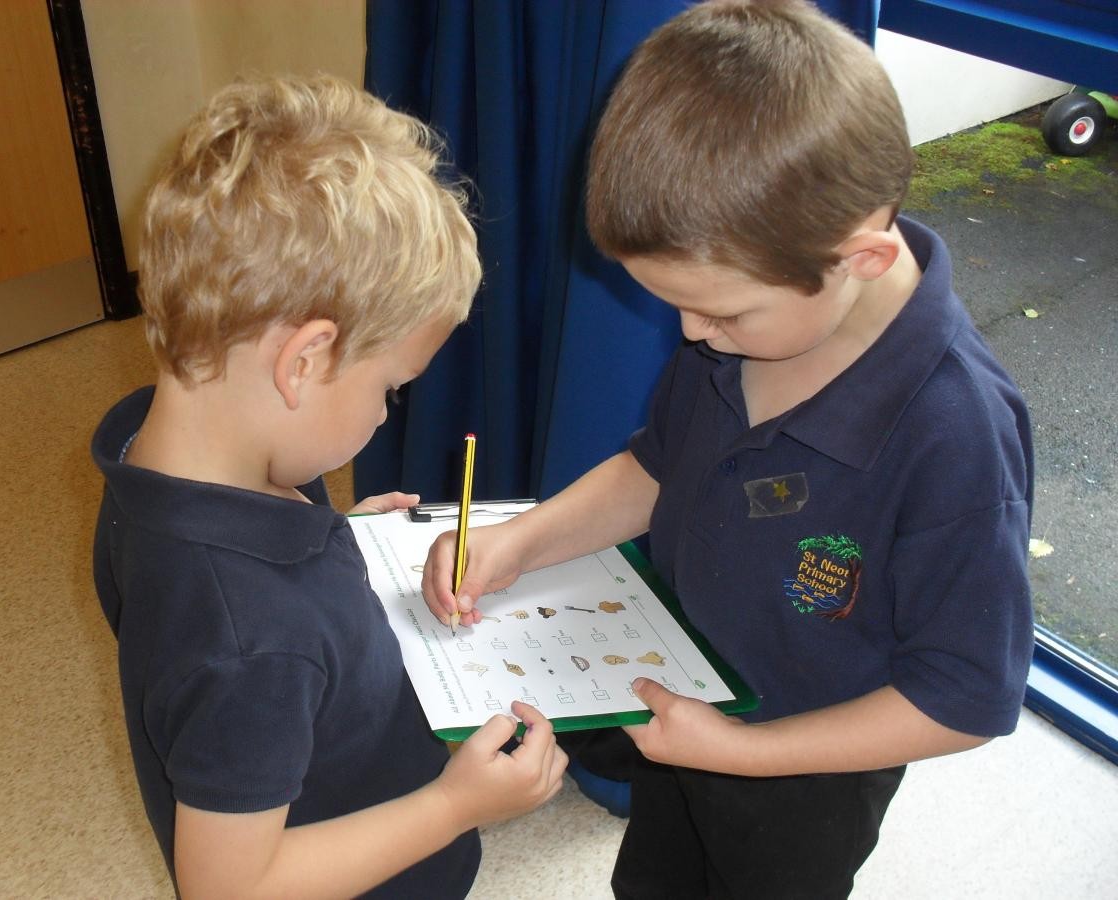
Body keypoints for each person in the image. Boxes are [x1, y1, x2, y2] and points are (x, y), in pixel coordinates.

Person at [422, 2, 1034, 897]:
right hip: (686, 699)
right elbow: (655, 466)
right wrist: (518, 541)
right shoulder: (739, 326)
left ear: (860, 259)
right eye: (677, 304)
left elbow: (965, 698)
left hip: (804, 775)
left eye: (719, 311)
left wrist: (747, 752)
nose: (691, 334)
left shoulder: (959, 437)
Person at [91, 73, 566, 900]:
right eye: (390, 389)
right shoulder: (251, 645)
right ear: (304, 362)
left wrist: (339, 542)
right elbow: (231, 888)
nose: (386, 415)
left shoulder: (159, 463)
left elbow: (232, 597)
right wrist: (455, 806)